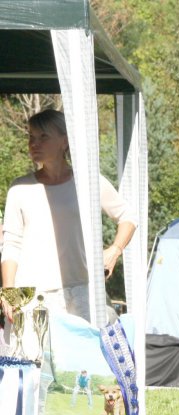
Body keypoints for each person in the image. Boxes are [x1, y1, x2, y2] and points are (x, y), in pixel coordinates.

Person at [1, 109, 137, 324]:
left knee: (90, 346)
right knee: (34, 348)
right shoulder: (19, 188)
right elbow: (11, 243)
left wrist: (115, 250)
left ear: (64, 141)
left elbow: (127, 216)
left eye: (43, 137)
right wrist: (9, 292)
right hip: (31, 295)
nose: (34, 144)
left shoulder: (88, 182)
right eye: (31, 137)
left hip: (82, 292)